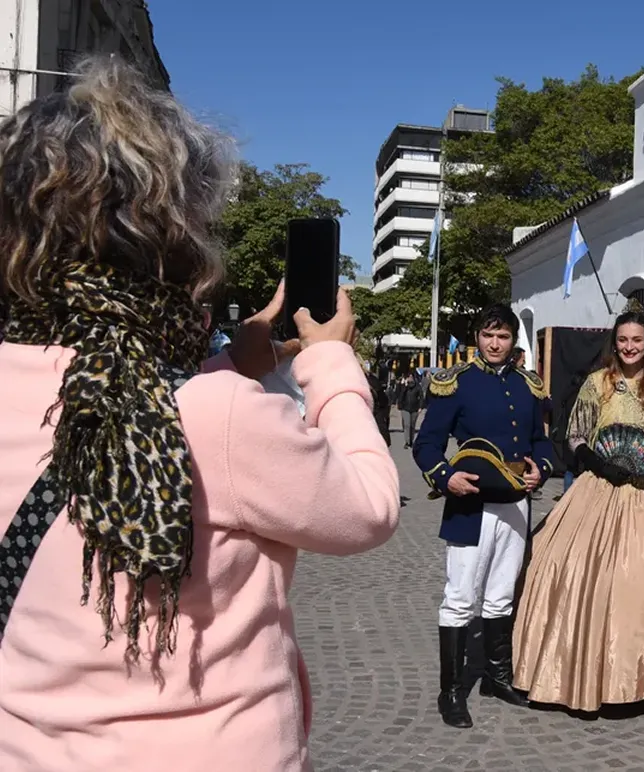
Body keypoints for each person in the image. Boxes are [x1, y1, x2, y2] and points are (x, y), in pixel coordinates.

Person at [0, 57, 400, 771]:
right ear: (172, 233)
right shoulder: (220, 415)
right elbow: (367, 507)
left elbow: (150, 406)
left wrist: (232, 365)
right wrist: (330, 361)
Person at [513, 311, 644, 711]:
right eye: (623, 340)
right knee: (574, 574)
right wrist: (599, 463)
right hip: (600, 489)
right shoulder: (597, 383)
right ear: (614, 343)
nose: (630, 347)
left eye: (637, 340)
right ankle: (582, 674)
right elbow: (576, 436)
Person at [413, 304, 555, 729]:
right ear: (478, 337)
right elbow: (426, 445)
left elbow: (539, 442)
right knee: (460, 599)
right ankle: (452, 691)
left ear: (514, 341)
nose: (495, 344)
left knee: (500, 596)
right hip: (470, 504)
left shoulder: (529, 386)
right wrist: (446, 477)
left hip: (515, 504)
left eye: (504, 336)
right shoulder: (454, 384)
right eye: (489, 335)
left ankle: (497, 677)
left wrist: (540, 470)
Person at [399, 373, 423, 448]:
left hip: (414, 409)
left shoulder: (418, 387)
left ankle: (411, 441)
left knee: (412, 425)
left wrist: (420, 407)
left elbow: (421, 397)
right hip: (405, 408)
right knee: (407, 425)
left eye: (411, 377)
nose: (410, 379)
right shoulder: (404, 387)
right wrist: (405, 386)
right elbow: (400, 396)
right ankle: (407, 441)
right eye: (408, 377)